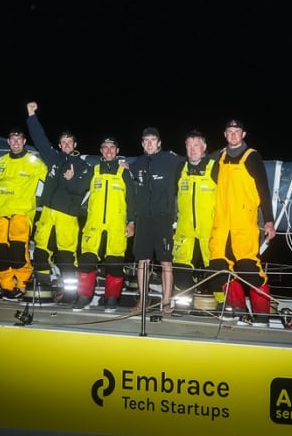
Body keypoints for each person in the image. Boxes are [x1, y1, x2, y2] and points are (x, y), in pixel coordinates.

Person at [207, 119, 276, 325]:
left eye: (237, 131)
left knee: (249, 268)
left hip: (244, 224)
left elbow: (264, 190)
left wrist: (269, 221)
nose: (233, 135)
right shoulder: (218, 157)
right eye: (230, 131)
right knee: (219, 267)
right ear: (225, 135)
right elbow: (198, 161)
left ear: (243, 134)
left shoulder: (252, 157)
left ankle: (262, 316)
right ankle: (237, 309)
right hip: (222, 225)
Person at [25, 101, 91, 299]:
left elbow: (81, 189)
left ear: (75, 145)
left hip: (68, 216)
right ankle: (42, 289)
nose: (67, 145)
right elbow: (39, 139)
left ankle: (70, 294)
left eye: (70, 142)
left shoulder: (84, 166)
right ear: (60, 145)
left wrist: (70, 181)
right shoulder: (53, 158)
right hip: (47, 212)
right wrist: (31, 115)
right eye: (63, 142)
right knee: (41, 252)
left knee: (66, 256)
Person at [72, 136, 136, 312]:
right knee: (86, 261)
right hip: (94, 225)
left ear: (117, 151)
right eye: (105, 147)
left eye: (112, 148)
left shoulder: (125, 173)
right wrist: (71, 177)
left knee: (114, 263)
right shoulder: (94, 170)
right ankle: (84, 297)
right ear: (101, 151)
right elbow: (77, 190)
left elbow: (132, 200)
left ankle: (111, 299)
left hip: (116, 226)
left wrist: (131, 223)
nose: (108, 151)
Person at [129, 127, 184, 315]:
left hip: (163, 219)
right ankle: (142, 301)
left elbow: (196, 160)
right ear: (142, 144)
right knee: (142, 261)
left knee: (166, 262)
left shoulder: (172, 159)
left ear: (159, 143)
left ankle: (166, 303)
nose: (150, 143)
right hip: (143, 219)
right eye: (146, 140)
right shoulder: (137, 163)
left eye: (153, 140)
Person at [0, 126, 48, 300]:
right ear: (8, 142)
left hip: (22, 213)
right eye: (12, 139)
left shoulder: (33, 161)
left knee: (17, 251)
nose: (16, 142)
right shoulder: (1, 161)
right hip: (0, 214)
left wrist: (41, 203)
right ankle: (7, 286)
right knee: (0, 252)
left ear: (24, 142)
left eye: (19, 139)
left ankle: (24, 285)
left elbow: (49, 181)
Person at [171, 130, 219, 313]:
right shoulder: (180, 170)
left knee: (216, 269)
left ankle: (223, 305)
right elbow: (171, 197)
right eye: (189, 146)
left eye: (196, 145)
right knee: (181, 268)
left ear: (204, 147)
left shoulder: (214, 168)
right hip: (185, 230)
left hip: (209, 230)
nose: (192, 150)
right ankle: (183, 306)